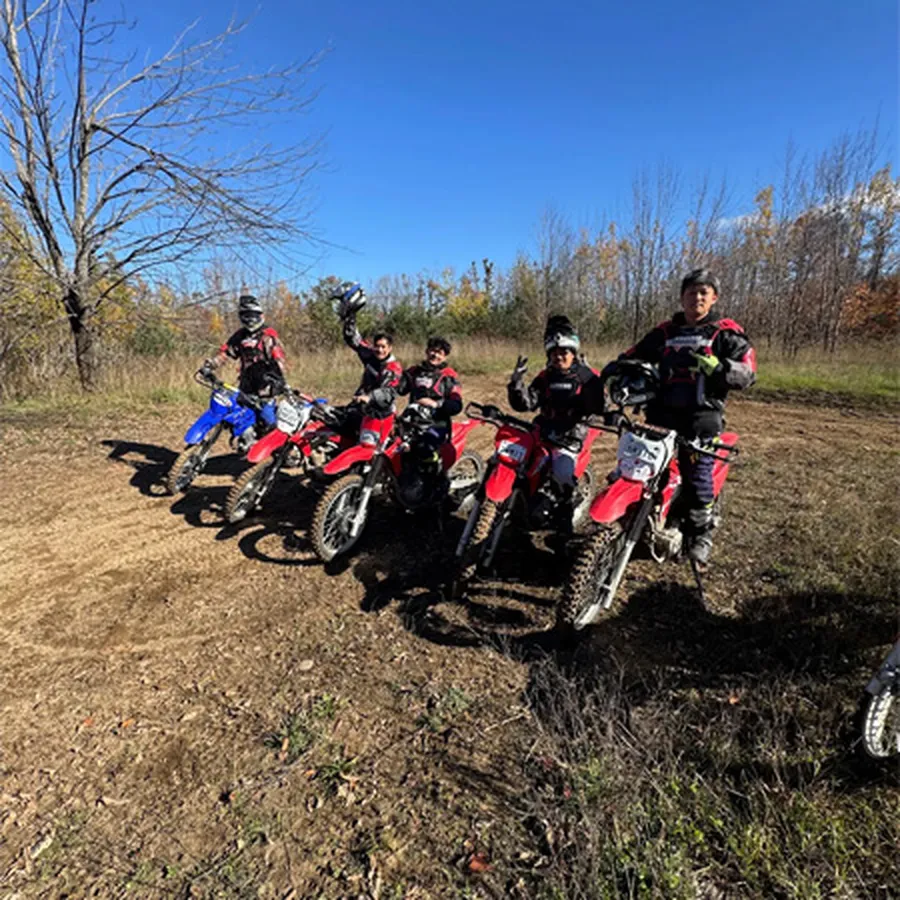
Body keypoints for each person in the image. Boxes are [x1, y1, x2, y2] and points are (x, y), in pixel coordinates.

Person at [614, 267, 756, 565]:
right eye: (691, 292)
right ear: (682, 297)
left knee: (699, 478)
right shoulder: (665, 332)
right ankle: (639, 517)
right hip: (659, 416)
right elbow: (634, 353)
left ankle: (701, 533)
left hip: (701, 418)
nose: (697, 297)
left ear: (714, 297)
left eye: (704, 292)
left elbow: (748, 372)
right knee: (637, 468)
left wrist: (719, 369)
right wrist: (618, 368)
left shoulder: (725, 332)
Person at [507, 314, 599, 530]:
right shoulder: (545, 377)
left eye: (564, 352)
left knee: (563, 477)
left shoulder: (586, 377)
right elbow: (526, 404)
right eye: (554, 353)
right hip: (542, 432)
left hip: (570, 438)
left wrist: (592, 382)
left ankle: (563, 531)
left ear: (573, 352)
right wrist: (516, 383)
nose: (559, 357)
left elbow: (596, 407)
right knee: (515, 460)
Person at [337, 283, 403, 445]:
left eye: (383, 347)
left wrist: (369, 397)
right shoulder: (371, 355)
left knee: (373, 449)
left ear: (390, 348)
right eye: (377, 346)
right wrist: (350, 316)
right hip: (361, 406)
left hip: (382, 412)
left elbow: (387, 392)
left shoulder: (394, 368)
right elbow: (354, 340)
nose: (379, 350)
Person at [396, 335, 463, 468]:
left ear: (445, 357)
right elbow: (399, 389)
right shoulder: (415, 371)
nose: (435, 355)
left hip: (437, 424)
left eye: (439, 353)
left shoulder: (449, 375)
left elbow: (457, 405)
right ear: (427, 351)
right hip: (412, 421)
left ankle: (435, 482)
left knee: (424, 450)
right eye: (432, 350)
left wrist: (435, 404)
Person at [204, 294, 286, 396]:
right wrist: (210, 365)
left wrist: (275, 375)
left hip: (265, 387)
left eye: (252, 316)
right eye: (246, 316)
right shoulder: (240, 336)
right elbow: (226, 352)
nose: (250, 319)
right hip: (245, 385)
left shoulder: (268, 336)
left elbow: (279, 359)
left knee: (266, 412)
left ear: (260, 316)